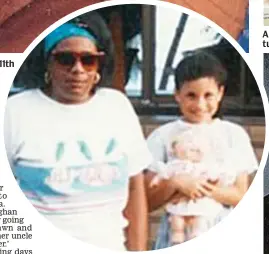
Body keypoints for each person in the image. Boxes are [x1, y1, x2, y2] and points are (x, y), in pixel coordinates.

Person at [4, 13, 152, 251]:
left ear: (98, 68)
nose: (77, 69)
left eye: (88, 60)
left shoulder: (117, 106)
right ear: (47, 64)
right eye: (65, 59)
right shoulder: (14, 111)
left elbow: (136, 187)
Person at [145, 51, 258, 249]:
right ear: (177, 94)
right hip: (175, 234)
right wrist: (176, 183)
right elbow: (148, 201)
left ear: (220, 93)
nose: (200, 104)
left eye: (208, 95)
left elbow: (240, 195)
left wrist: (199, 188)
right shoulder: (162, 136)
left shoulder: (234, 135)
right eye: (191, 95)